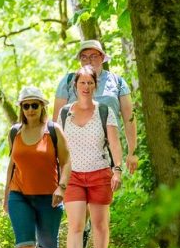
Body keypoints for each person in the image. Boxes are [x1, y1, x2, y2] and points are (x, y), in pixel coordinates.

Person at [3, 87, 71, 248]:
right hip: (19, 195)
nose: (30, 109)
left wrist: (62, 187)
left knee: (48, 247)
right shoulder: (15, 132)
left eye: (34, 105)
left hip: (49, 197)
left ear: (42, 106)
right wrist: (6, 195)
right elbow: (12, 165)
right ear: (21, 108)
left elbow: (66, 162)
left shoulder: (53, 130)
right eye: (26, 105)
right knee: (24, 245)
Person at [58, 66, 122, 248]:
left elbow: (114, 143)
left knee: (99, 224)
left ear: (95, 85)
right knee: (75, 224)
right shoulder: (65, 113)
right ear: (75, 86)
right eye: (82, 83)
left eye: (90, 83)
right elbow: (59, 147)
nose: (86, 87)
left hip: (99, 173)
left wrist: (117, 169)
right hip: (73, 176)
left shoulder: (104, 111)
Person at [53, 40, 138, 175]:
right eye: (84, 57)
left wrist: (132, 152)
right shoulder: (68, 82)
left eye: (93, 56)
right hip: (74, 152)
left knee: (106, 187)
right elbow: (57, 123)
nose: (89, 61)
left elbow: (129, 118)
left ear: (102, 58)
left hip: (108, 149)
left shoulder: (117, 82)